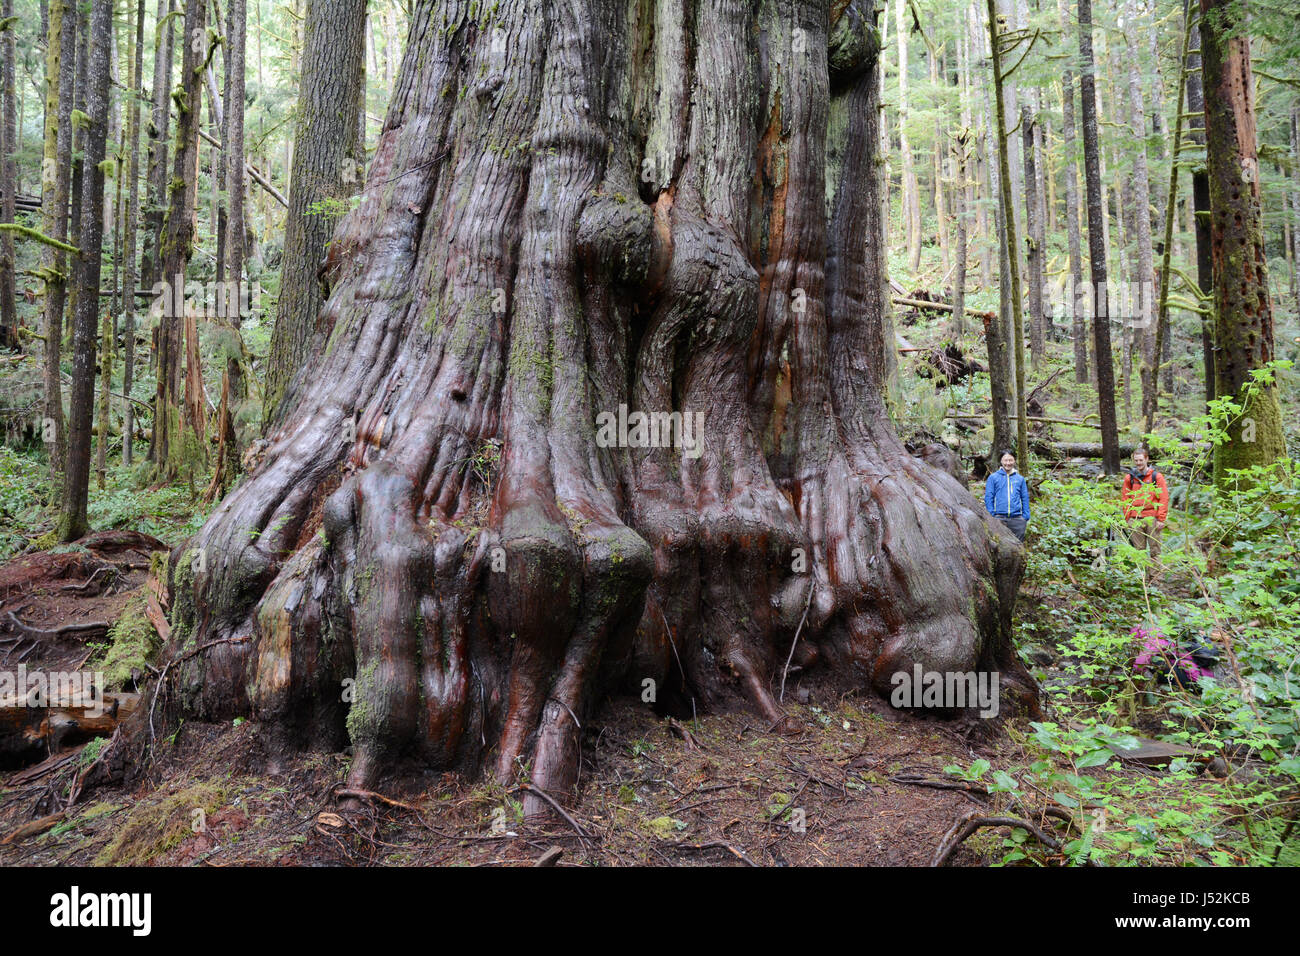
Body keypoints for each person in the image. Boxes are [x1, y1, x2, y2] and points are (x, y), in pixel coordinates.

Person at [1122, 448, 1169, 583]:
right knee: (1139, 550)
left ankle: (1155, 580)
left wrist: (1161, 518)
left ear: (1147, 459)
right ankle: (1142, 579)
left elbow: (1163, 498)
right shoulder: (1129, 478)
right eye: (1136, 460)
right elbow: (1125, 498)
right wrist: (1128, 517)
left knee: (1155, 550)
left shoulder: (1156, 477)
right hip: (1135, 519)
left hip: (1152, 518)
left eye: (1141, 460)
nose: (1138, 463)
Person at [984, 450, 1030, 541]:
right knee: (999, 544)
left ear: (1014, 461)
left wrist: (1025, 516)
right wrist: (992, 515)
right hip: (999, 517)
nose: (1008, 463)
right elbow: (989, 497)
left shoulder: (1020, 479)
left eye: (1010, 460)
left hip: (1017, 519)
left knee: (1018, 546)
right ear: (1001, 461)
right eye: (1005, 460)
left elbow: (1024, 498)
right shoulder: (993, 478)